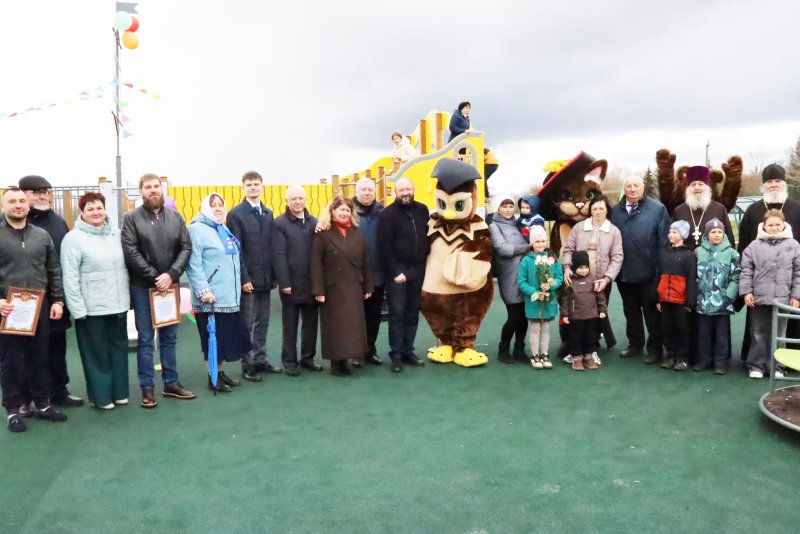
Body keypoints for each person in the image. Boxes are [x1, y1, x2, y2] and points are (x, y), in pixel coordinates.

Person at [121, 173, 196, 408]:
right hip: (143, 288)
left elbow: (186, 247)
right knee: (145, 339)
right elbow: (130, 251)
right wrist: (155, 276)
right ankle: (147, 388)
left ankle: (171, 383)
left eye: (156, 186)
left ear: (162, 189)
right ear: (141, 191)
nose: (153, 190)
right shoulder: (131, 218)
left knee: (169, 338)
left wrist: (171, 274)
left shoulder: (176, 217)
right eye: (148, 187)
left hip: (170, 288)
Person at [0, 188, 67, 432]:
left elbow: (54, 270)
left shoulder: (41, 235)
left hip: (39, 307)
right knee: (11, 361)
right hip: (8, 309)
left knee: (40, 356)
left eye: (21, 201)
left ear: (27, 205)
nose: (18, 205)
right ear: (3, 206)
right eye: (12, 201)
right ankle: (14, 409)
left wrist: (57, 300)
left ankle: (42, 403)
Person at [60, 192, 130, 410]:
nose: (96, 212)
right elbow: (70, 276)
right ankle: (101, 397)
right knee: (96, 354)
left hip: (118, 304)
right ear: (82, 213)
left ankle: (119, 392)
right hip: (91, 308)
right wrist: (77, 309)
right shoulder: (73, 238)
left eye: (99, 208)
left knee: (118, 350)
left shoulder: (116, 234)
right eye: (90, 209)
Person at [18, 175, 83, 409]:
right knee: (25, 351)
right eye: (36, 192)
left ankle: (59, 391)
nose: (42, 196)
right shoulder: (14, 223)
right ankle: (26, 398)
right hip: (24, 300)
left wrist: (62, 297)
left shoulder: (59, 222)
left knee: (57, 346)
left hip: (55, 297)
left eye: (45, 191)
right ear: (23, 193)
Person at [187, 193, 251, 393]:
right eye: (213, 205)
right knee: (211, 339)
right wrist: (203, 291)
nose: (218, 209)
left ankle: (220, 373)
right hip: (210, 298)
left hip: (228, 296)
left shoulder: (223, 229)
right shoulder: (196, 229)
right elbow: (194, 264)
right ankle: (213, 377)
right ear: (205, 208)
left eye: (220, 205)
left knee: (223, 340)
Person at [737, 164, 800, 361]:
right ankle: (756, 361)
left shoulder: (797, 208)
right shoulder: (752, 211)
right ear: (764, 185)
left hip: (788, 281)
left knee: (788, 324)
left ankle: (786, 361)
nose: (774, 185)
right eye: (770, 182)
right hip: (760, 283)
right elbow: (744, 247)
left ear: (784, 183)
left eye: (778, 181)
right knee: (758, 327)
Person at [226, 171, 281, 382]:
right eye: (249, 184)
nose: (253, 187)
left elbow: (272, 246)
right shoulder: (236, 214)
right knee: (246, 324)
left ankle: (260, 359)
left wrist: (273, 275)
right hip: (248, 280)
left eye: (256, 184)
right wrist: (244, 278)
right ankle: (247, 364)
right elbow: (236, 250)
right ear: (244, 187)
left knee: (263, 322)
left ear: (262, 186)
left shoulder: (268, 213)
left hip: (265, 279)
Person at [609, 175, 670, 362]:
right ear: (624, 189)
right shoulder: (615, 211)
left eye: (636, 185)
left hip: (650, 272)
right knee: (631, 311)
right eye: (629, 186)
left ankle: (655, 350)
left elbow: (664, 242)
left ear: (643, 188)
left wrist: (661, 270)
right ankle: (635, 344)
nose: (632, 189)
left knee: (652, 314)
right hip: (625, 273)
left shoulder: (657, 209)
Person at [310, 196, 373, 376]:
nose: (344, 213)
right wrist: (318, 290)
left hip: (353, 286)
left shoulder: (356, 232)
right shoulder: (323, 233)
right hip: (332, 288)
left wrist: (368, 286)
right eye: (341, 210)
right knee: (335, 327)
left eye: (347, 210)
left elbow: (365, 261)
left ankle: (348, 359)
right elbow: (316, 264)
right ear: (333, 211)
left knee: (351, 326)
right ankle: (336, 363)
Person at [377, 177, 430, 373]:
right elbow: (384, 246)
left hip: (418, 269)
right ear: (395, 192)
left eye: (408, 189)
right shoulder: (387, 214)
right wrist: (395, 272)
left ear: (413, 190)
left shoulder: (422, 210)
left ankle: (408, 351)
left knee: (412, 313)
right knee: (397, 314)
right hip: (397, 271)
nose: (405, 193)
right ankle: (396, 354)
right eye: (401, 190)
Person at [739, 210, 800, 379]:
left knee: (779, 334)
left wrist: (796, 296)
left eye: (777, 224)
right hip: (759, 297)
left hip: (783, 298)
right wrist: (747, 292)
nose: (774, 228)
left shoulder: (794, 245)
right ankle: (756, 366)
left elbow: (798, 273)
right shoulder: (754, 246)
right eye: (770, 225)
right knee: (758, 333)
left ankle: (778, 366)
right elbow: (746, 271)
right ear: (764, 226)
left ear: (784, 225)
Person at [561, 195, 623, 354]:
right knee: (574, 312)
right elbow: (568, 250)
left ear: (607, 210)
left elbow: (617, 257)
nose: (598, 211)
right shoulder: (579, 228)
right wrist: (567, 268)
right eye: (595, 208)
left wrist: (607, 278)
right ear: (590, 210)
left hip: (600, 281)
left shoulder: (614, 231)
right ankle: (571, 344)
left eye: (601, 208)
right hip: (577, 281)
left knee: (596, 314)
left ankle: (592, 346)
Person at [272, 186, 323, 377]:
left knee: (311, 324)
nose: (297, 202)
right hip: (291, 285)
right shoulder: (279, 223)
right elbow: (278, 255)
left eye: (301, 198)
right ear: (287, 201)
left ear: (305, 200)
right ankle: (289, 361)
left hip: (311, 283)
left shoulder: (314, 222)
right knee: (290, 326)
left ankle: (308, 358)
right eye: (293, 199)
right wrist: (284, 283)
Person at [694, 218, 741, 375]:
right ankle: (704, 360)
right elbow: (693, 275)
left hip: (722, 302)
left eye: (719, 232)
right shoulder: (698, 252)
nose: (716, 235)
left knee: (722, 335)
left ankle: (720, 362)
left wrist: (728, 296)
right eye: (713, 232)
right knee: (703, 334)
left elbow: (736, 277)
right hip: (702, 301)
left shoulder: (732, 253)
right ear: (707, 234)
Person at [489, 194, 531, 363]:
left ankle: (519, 349)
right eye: (504, 206)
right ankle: (503, 349)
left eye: (510, 206)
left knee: (525, 316)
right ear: (498, 208)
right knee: (514, 316)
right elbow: (502, 249)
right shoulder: (494, 226)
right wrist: (526, 247)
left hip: (526, 275)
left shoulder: (520, 223)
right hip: (509, 276)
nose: (508, 210)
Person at [517, 224, 564, 369]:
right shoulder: (526, 260)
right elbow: (521, 281)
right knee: (535, 328)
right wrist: (534, 292)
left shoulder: (552, 259)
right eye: (537, 241)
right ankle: (535, 355)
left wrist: (550, 285)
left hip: (548, 301)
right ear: (532, 243)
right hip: (534, 302)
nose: (540, 244)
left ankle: (544, 354)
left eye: (543, 241)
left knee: (546, 328)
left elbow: (559, 277)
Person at [352, 178, 385, 367]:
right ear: (356, 192)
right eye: (363, 189)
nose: (367, 193)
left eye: (370, 190)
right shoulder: (347, 212)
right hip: (353, 277)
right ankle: (356, 352)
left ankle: (370, 350)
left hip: (377, 274)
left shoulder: (382, 213)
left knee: (374, 316)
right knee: (355, 317)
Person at [655, 221, 697, 371]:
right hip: (665, 300)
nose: (670, 235)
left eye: (674, 232)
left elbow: (691, 279)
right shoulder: (664, 253)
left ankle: (682, 358)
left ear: (683, 235)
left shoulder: (689, 255)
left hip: (681, 301)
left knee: (682, 330)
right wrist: (658, 298)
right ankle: (670, 356)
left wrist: (690, 302)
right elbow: (659, 275)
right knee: (667, 329)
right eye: (670, 232)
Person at [558, 251, 607, 371]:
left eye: (585, 267)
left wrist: (602, 310)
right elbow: (565, 300)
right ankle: (576, 357)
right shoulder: (569, 281)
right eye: (580, 268)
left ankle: (589, 356)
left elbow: (600, 296)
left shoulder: (593, 279)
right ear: (574, 268)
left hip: (591, 316)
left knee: (591, 336)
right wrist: (565, 315)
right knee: (575, 337)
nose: (583, 270)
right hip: (575, 317)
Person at [672, 166, 735, 249]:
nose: (697, 188)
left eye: (701, 184)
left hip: (713, 256)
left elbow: (729, 238)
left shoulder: (720, 209)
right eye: (693, 184)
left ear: (707, 187)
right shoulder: (679, 211)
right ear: (688, 188)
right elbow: (673, 239)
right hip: (686, 256)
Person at [483, 148, 499, 225]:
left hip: (491, 164)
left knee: (483, 178)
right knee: (484, 179)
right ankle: (486, 194)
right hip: (494, 164)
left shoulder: (480, 151)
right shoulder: (486, 151)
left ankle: (486, 195)